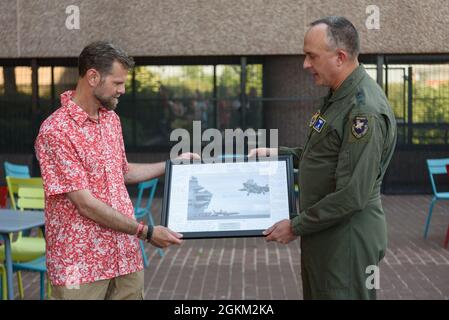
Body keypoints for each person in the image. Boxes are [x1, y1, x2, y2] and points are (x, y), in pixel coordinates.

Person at [34, 41, 199, 300]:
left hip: (125, 258)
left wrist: (171, 166)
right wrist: (146, 232)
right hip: (81, 265)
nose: (122, 90)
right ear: (92, 77)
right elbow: (84, 203)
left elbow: (122, 171)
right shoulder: (56, 131)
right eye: (117, 83)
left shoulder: (111, 120)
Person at [249, 17, 397, 299]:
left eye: (311, 56)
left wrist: (295, 225)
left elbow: (353, 193)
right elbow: (324, 155)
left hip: (347, 239)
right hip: (327, 233)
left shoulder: (362, 111)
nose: (305, 64)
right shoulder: (337, 97)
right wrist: (278, 156)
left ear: (340, 57)